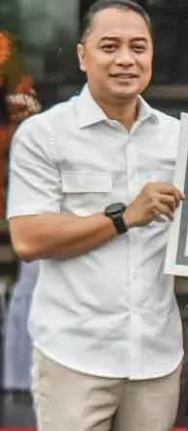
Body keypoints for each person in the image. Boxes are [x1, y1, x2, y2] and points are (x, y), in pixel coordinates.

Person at [7, 0, 184, 431]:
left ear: (152, 56)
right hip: (74, 355)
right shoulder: (44, 134)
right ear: (82, 56)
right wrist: (124, 217)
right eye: (109, 46)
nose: (125, 59)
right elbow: (28, 238)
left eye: (138, 47)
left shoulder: (179, 139)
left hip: (156, 357)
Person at [0, 30, 41, 393]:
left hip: (19, 196)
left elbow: (24, 120)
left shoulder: (9, 61)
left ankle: (18, 381)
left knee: (33, 277)